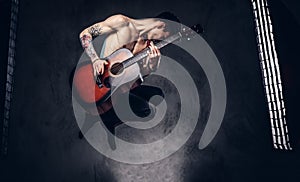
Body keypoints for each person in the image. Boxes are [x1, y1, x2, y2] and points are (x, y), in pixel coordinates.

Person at [77, 12, 180, 149]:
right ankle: (104, 116)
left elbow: (138, 76)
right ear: (163, 25)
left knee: (156, 98)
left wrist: (152, 65)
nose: (163, 42)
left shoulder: (148, 46)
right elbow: (85, 33)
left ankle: (109, 118)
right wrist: (95, 59)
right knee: (144, 108)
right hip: (98, 83)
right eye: (166, 38)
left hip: (118, 87)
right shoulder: (122, 23)